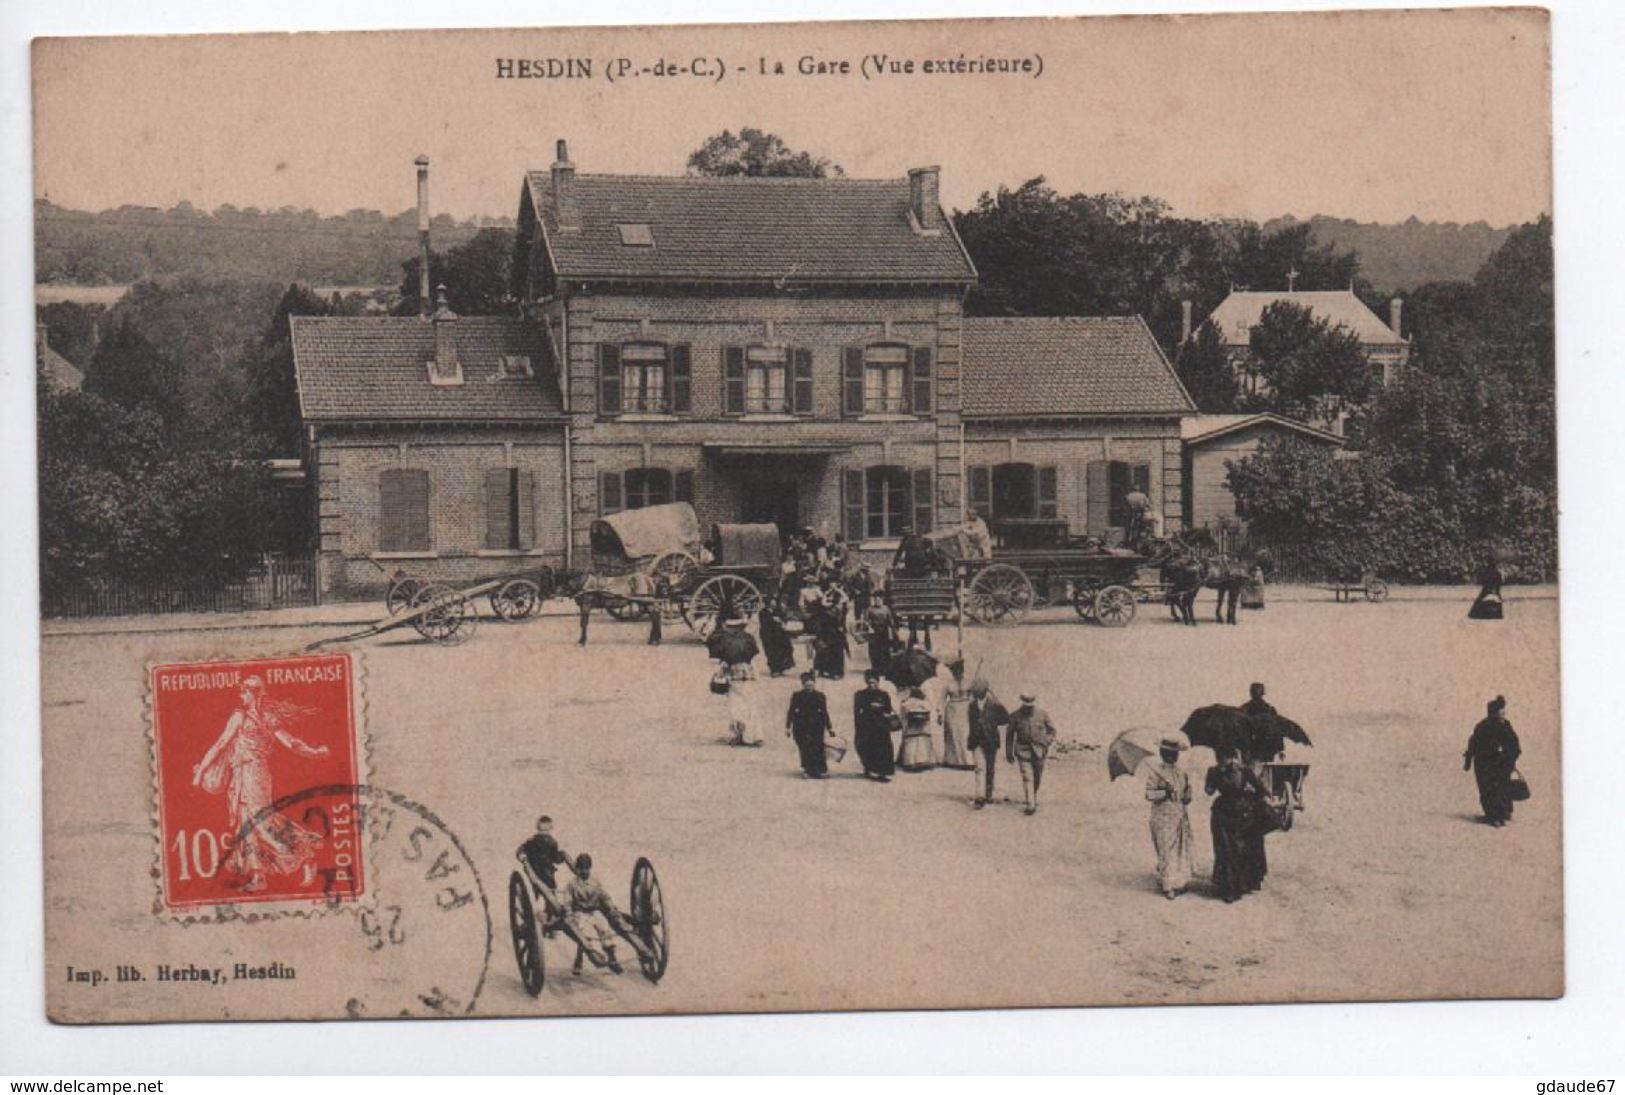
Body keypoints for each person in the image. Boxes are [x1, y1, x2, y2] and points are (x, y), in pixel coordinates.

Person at [192, 675, 328, 893]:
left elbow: (290, 742)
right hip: (239, 775)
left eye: (245, 692)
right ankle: (258, 876)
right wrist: (201, 771)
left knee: (261, 821)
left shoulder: (267, 717)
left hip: (256, 773)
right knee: (245, 825)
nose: (241, 696)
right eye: (241, 692)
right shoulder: (239, 716)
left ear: (255, 693)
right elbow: (220, 744)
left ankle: (304, 853)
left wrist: (314, 752)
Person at [563, 852, 652, 975]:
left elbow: (604, 897)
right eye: (581, 869)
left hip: (594, 912)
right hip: (580, 913)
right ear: (577, 869)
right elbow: (567, 901)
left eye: (586, 869)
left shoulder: (595, 883)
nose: (584, 872)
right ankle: (581, 960)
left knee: (605, 930)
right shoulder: (572, 885)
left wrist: (611, 908)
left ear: (589, 869)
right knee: (584, 934)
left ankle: (612, 960)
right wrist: (569, 914)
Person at [1205, 746, 1272, 902]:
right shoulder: (1232, 770)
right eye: (1224, 758)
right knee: (1231, 850)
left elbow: (1208, 791)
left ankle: (1230, 888)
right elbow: (1262, 791)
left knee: (1229, 850)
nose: (1226, 761)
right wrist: (1248, 795)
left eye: (1226, 757)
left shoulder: (1228, 771)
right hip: (1233, 813)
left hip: (1230, 813)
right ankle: (1235, 886)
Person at [1145, 737, 1194, 899]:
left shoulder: (1181, 772)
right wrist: (1164, 792)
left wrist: (1187, 794)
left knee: (1179, 849)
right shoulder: (1155, 772)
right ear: (1162, 753)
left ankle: (1178, 881)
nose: (1173, 757)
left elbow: (1187, 792)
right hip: (1162, 816)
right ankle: (1167, 887)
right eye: (1169, 753)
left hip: (1179, 815)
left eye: (1175, 754)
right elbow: (1149, 794)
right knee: (1165, 849)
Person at [1464, 695, 1522, 826]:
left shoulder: (1501, 724)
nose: (1503, 714)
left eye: (1503, 711)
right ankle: (1494, 815)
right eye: (1500, 711)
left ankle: (1500, 813)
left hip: (1497, 762)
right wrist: (1468, 759)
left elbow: (1513, 743)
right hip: (1485, 762)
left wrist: (1510, 758)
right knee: (1490, 789)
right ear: (1493, 712)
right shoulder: (1485, 726)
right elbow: (1473, 743)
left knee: (1496, 788)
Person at [708, 617, 762, 747]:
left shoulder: (727, 642)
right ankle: (753, 736)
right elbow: (754, 658)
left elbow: (724, 661)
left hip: (734, 678)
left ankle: (739, 734)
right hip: (748, 676)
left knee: (735, 707)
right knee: (750, 707)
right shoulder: (749, 639)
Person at [1005, 693, 1056, 815]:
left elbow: (1052, 731)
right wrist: (1009, 752)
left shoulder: (1042, 714)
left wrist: (1046, 741)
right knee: (1027, 777)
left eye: (1030, 705)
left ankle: (1032, 796)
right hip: (1023, 751)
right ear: (1022, 702)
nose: (1028, 708)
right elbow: (1009, 736)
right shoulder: (1015, 716)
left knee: (1037, 777)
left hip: (1039, 751)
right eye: (1026, 705)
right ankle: (1030, 804)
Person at [965, 678, 1010, 808]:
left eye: (977, 692)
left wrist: (994, 720)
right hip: (976, 740)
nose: (975, 694)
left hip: (991, 740)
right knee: (979, 768)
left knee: (990, 768)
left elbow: (1005, 719)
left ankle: (988, 794)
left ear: (984, 692)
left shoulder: (994, 704)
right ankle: (980, 796)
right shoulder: (971, 706)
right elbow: (971, 722)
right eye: (975, 692)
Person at [786, 672, 833, 779]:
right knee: (805, 748)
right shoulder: (797, 696)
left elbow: (824, 712)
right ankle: (807, 769)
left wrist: (830, 727)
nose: (809, 688)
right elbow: (791, 711)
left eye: (811, 685)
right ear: (803, 685)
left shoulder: (820, 696)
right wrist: (788, 727)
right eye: (807, 686)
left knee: (817, 747)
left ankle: (820, 770)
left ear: (814, 684)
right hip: (801, 726)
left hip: (817, 725)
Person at [852, 670, 898, 781]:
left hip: (881, 725)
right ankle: (869, 768)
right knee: (866, 747)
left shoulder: (884, 694)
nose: (872, 685)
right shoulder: (860, 695)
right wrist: (859, 724)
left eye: (874, 683)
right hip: (866, 724)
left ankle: (883, 772)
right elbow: (857, 711)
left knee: (883, 749)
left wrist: (882, 709)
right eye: (870, 683)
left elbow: (888, 709)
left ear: (878, 682)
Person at [933, 658, 973, 769]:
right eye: (955, 671)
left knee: (966, 733)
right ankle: (953, 761)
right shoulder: (948, 685)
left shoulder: (969, 682)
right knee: (954, 735)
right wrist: (939, 714)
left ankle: (968, 761)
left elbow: (973, 697)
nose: (957, 673)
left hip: (966, 709)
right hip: (952, 711)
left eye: (959, 670)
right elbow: (941, 700)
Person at [515, 815, 570, 896]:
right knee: (549, 887)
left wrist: (562, 856)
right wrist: (523, 857)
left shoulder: (550, 842)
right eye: (543, 832)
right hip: (538, 873)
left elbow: (555, 857)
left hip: (544, 873)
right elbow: (521, 850)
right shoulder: (535, 842)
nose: (544, 835)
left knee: (550, 887)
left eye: (545, 832)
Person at [895, 686, 937, 771]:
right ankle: (924, 760)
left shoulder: (905, 703)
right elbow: (929, 711)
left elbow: (902, 716)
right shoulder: (924, 702)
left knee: (910, 743)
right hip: (922, 726)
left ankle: (909, 761)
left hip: (910, 727)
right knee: (922, 742)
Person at [808, 599, 848, 679]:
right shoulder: (821, 614)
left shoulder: (839, 613)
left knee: (837, 651)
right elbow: (816, 626)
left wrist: (842, 629)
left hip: (837, 636)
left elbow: (842, 624)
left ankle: (836, 672)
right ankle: (821, 670)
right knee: (823, 650)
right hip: (825, 635)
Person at [863, 598, 898, 679]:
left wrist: (894, 630)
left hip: (884, 632)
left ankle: (886, 670)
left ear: (882, 600)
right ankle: (876, 670)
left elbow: (890, 620)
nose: (878, 601)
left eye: (879, 599)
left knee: (884, 650)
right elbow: (865, 621)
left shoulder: (886, 609)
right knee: (874, 651)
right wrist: (869, 627)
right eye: (876, 599)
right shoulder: (869, 609)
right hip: (874, 632)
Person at [758, 603, 796, 677]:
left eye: (774, 603)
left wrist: (782, 622)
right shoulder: (763, 612)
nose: (774, 604)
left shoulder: (777, 611)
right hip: (768, 635)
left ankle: (781, 668)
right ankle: (774, 670)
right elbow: (764, 623)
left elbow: (784, 619)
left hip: (779, 634)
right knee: (772, 652)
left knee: (784, 649)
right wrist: (773, 619)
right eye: (772, 603)